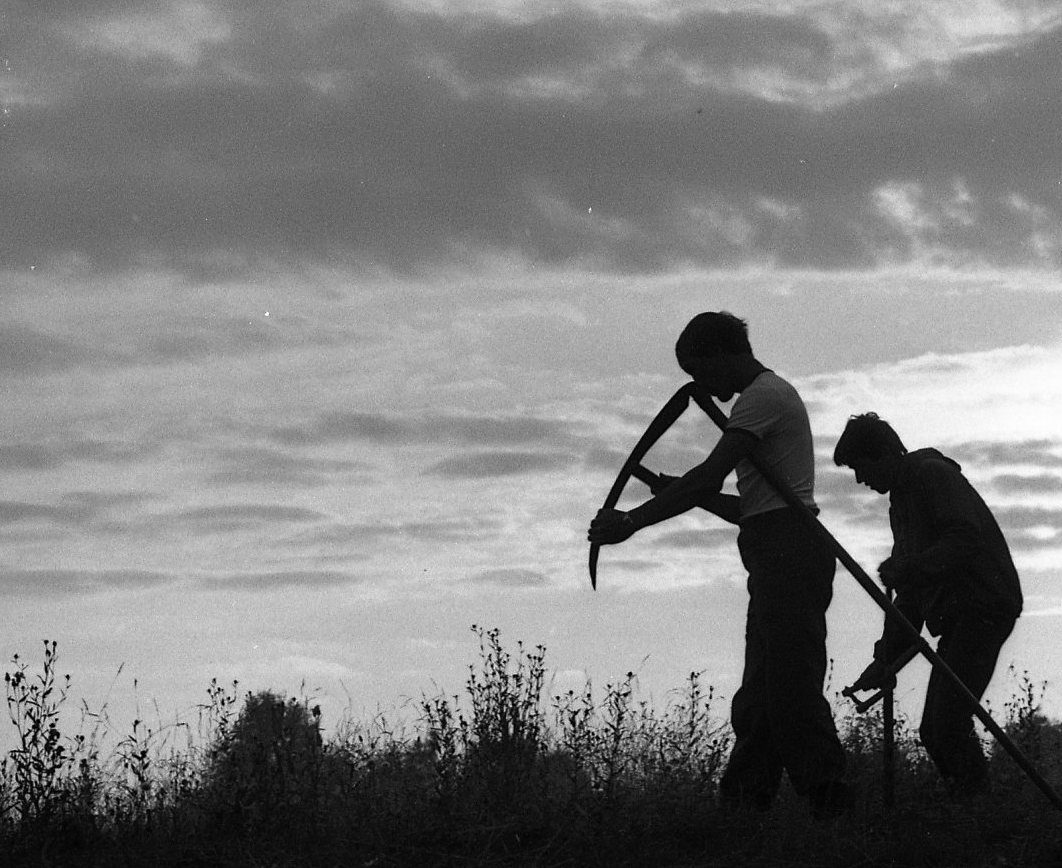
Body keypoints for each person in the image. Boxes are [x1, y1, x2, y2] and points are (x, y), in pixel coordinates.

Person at [588, 311, 848, 817]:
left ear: (720, 355)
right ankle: (743, 809)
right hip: (773, 548)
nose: (697, 385)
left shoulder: (765, 397)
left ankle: (831, 805)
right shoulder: (758, 402)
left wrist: (633, 522)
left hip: (791, 552)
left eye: (697, 370)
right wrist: (677, 493)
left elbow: (709, 476)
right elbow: (748, 507)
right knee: (759, 697)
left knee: (791, 688)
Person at [835, 413, 1023, 797]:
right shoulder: (901, 504)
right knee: (934, 731)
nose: (859, 479)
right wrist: (885, 658)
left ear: (886, 452)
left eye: (861, 466)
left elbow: (964, 538)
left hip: (983, 606)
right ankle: (972, 809)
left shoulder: (932, 475)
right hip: (959, 616)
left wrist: (911, 566)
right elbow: (911, 597)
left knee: (947, 724)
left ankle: (980, 815)